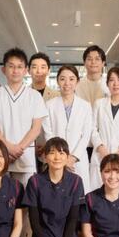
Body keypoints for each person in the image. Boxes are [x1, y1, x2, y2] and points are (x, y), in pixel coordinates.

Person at [23, 137, 85, 237]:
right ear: (44, 157)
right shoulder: (35, 182)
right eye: (51, 153)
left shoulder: (76, 182)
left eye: (61, 153)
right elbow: (34, 222)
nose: (57, 157)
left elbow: (73, 220)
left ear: (67, 157)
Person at [0, 48, 48, 185]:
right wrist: (8, 147)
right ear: (4, 69)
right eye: (11, 66)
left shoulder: (34, 96)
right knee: (0, 199)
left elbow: (36, 128)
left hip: (25, 156)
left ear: (26, 70)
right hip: (1, 155)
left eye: (20, 67)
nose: (15, 70)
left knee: (25, 200)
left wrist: (18, 148)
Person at [42, 65, 93, 193]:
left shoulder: (85, 106)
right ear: (57, 81)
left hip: (77, 161)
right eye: (63, 79)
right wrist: (61, 157)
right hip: (56, 160)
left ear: (77, 82)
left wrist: (72, 158)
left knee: (79, 196)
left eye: (71, 79)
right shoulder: (49, 105)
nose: (67, 83)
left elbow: (86, 135)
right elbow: (49, 135)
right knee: (56, 196)